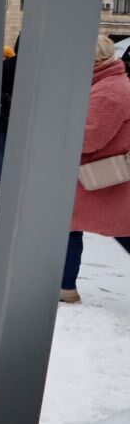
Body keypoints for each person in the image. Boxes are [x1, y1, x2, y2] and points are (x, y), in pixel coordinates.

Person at [59, 35, 130, 304]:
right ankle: (64, 286)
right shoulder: (105, 84)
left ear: (95, 61)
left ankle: (65, 286)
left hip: (100, 177)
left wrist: (61, 129)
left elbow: (89, 138)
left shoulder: (109, 91)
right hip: (96, 177)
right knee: (69, 227)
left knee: (120, 229)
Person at [0, 36, 20, 187]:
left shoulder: (6, 66)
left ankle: (4, 182)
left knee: (2, 151)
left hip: (4, 117)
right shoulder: (38, 67)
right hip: (23, 120)